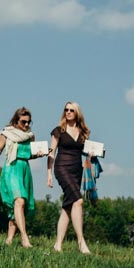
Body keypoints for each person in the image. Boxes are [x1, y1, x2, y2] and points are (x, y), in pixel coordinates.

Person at [0, 107, 38, 247]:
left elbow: (30, 155)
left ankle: (9, 240)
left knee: (18, 206)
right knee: (19, 201)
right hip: (11, 169)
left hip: (24, 169)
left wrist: (39, 154)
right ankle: (25, 238)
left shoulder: (30, 136)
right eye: (23, 122)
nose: (26, 125)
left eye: (29, 122)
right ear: (16, 120)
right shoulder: (7, 133)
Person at [47, 101, 92, 254]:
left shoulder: (83, 132)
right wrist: (49, 173)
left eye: (71, 110)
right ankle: (81, 242)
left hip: (77, 170)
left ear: (77, 113)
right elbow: (51, 152)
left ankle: (58, 245)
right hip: (62, 168)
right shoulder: (59, 130)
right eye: (66, 110)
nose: (68, 112)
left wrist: (92, 155)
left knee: (67, 206)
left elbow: (86, 153)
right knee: (78, 201)